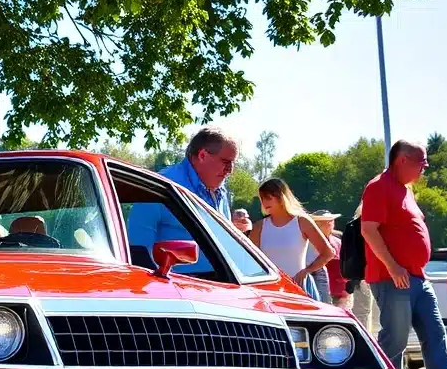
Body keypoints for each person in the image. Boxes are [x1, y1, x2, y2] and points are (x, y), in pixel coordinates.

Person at [362, 140, 447, 369]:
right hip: (392, 279)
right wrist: (393, 267)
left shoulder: (406, 190)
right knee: (395, 341)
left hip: (417, 278)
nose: (424, 168)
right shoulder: (378, 186)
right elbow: (368, 230)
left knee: (435, 335)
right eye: (420, 163)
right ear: (402, 160)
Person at [127, 127, 238, 274]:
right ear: (202, 155)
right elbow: (139, 253)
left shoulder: (221, 191)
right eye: (226, 162)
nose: (230, 170)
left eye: (233, 163)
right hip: (177, 283)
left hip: (222, 282)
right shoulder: (159, 186)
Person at [250, 179, 334, 300]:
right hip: (268, 291)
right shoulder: (259, 227)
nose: (264, 202)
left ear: (281, 197)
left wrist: (306, 271)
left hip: (298, 290)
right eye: (262, 199)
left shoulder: (302, 222)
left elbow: (328, 253)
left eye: (268, 197)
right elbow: (251, 261)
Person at [307, 209, 346, 306]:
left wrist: (348, 289)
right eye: (323, 221)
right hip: (315, 290)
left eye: (331, 220)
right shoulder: (307, 243)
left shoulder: (338, 242)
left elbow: (345, 265)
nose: (330, 223)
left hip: (339, 291)